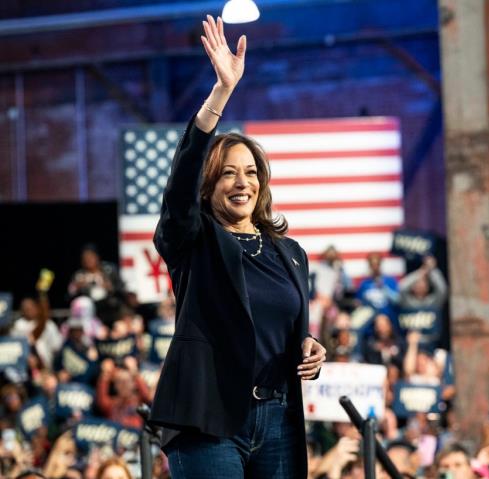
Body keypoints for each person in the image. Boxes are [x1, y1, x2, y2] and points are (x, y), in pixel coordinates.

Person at [147, 15, 326, 479]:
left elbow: (283, 330)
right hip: (208, 418)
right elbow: (181, 182)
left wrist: (308, 348)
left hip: (278, 420)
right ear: (209, 187)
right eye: (228, 172)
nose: (241, 181)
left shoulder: (291, 254)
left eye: (250, 172)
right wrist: (220, 94)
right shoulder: (192, 239)